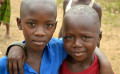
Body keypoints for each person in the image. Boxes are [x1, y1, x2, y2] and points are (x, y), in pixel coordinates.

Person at [0, 0, 113, 74]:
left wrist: (105, 63)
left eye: (48, 25)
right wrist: (16, 46)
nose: (40, 33)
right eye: (31, 24)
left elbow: (85, 44)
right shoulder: (5, 64)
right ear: (20, 23)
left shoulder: (59, 48)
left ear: (55, 26)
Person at [59, 5, 106, 74]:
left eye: (85, 37)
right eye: (70, 37)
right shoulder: (57, 63)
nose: (77, 44)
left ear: (99, 37)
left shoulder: (102, 70)